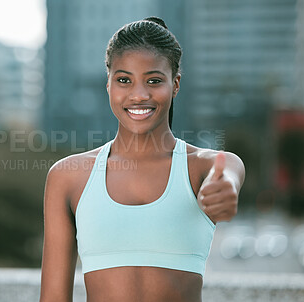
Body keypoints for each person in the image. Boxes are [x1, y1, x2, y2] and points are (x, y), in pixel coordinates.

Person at [39, 17, 245, 302]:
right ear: (108, 84)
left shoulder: (206, 167)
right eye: (124, 80)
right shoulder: (67, 177)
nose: (139, 95)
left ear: (175, 84)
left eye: (154, 81)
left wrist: (224, 190)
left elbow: (229, 176)